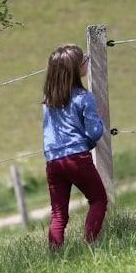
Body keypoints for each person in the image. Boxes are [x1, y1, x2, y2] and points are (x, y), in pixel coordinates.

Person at [41, 43, 107, 250]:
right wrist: (99, 123)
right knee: (98, 199)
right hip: (77, 159)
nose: (87, 62)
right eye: (84, 61)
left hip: (53, 161)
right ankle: (90, 244)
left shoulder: (48, 101)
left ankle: (55, 253)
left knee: (59, 212)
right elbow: (94, 132)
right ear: (76, 69)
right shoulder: (84, 98)